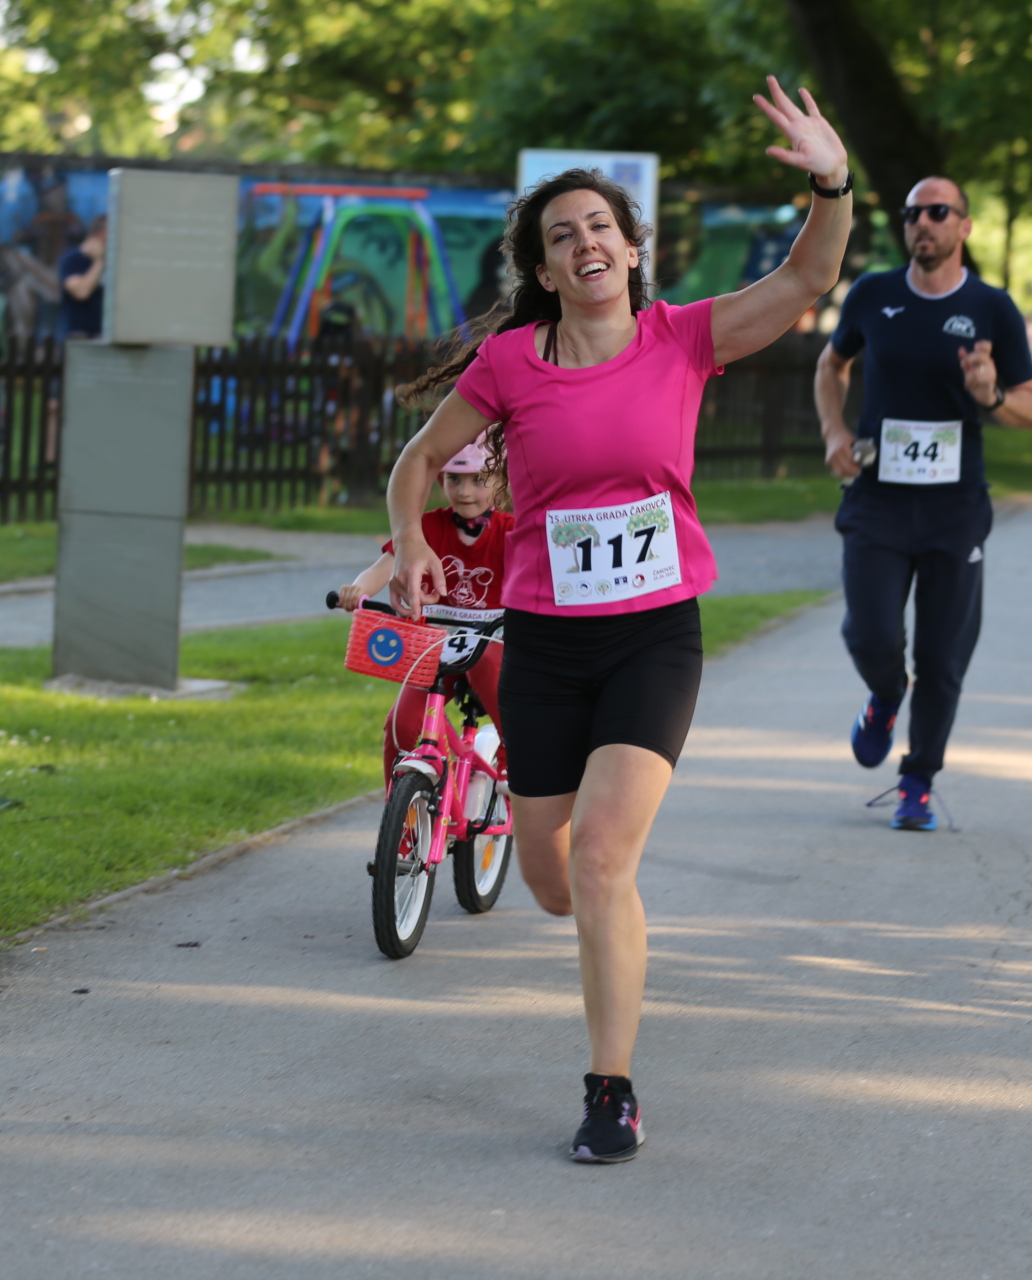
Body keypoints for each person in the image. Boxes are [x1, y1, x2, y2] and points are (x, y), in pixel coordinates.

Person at [380, 76, 851, 1164]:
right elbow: (418, 461)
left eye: (600, 226)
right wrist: (408, 540)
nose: (585, 242)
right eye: (562, 235)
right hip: (545, 642)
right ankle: (520, 831)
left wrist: (832, 182)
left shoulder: (684, 339)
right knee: (552, 885)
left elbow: (808, 275)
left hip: (653, 635)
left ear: (631, 250)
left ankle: (611, 1089)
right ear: (544, 272)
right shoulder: (510, 363)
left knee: (601, 858)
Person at [814, 176, 1032, 832]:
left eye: (938, 212)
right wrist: (834, 432)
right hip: (878, 501)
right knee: (871, 634)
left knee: (943, 657)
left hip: (955, 508)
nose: (922, 222)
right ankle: (886, 694)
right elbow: (830, 366)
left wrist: (990, 394)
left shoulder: (993, 309)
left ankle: (918, 779)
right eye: (913, 212)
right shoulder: (873, 294)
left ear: (964, 226)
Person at [338, 435, 514, 782]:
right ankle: (398, 807)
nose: (464, 492)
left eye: (478, 480)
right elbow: (386, 566)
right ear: (440, 479)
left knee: (488, 670)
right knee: (400, 725)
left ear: (500, 481)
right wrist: (358, 589)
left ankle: (513, 754)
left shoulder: (511, 531)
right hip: (436, 645)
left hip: (493, 642)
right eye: (454, 479)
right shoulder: (427, 528)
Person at [58, 216, 107, 339]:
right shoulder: (72, 259)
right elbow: (82, 292)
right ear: (103, 234)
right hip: (77, 337)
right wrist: (99, 262)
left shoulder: (115, 262)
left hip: (103, 336)